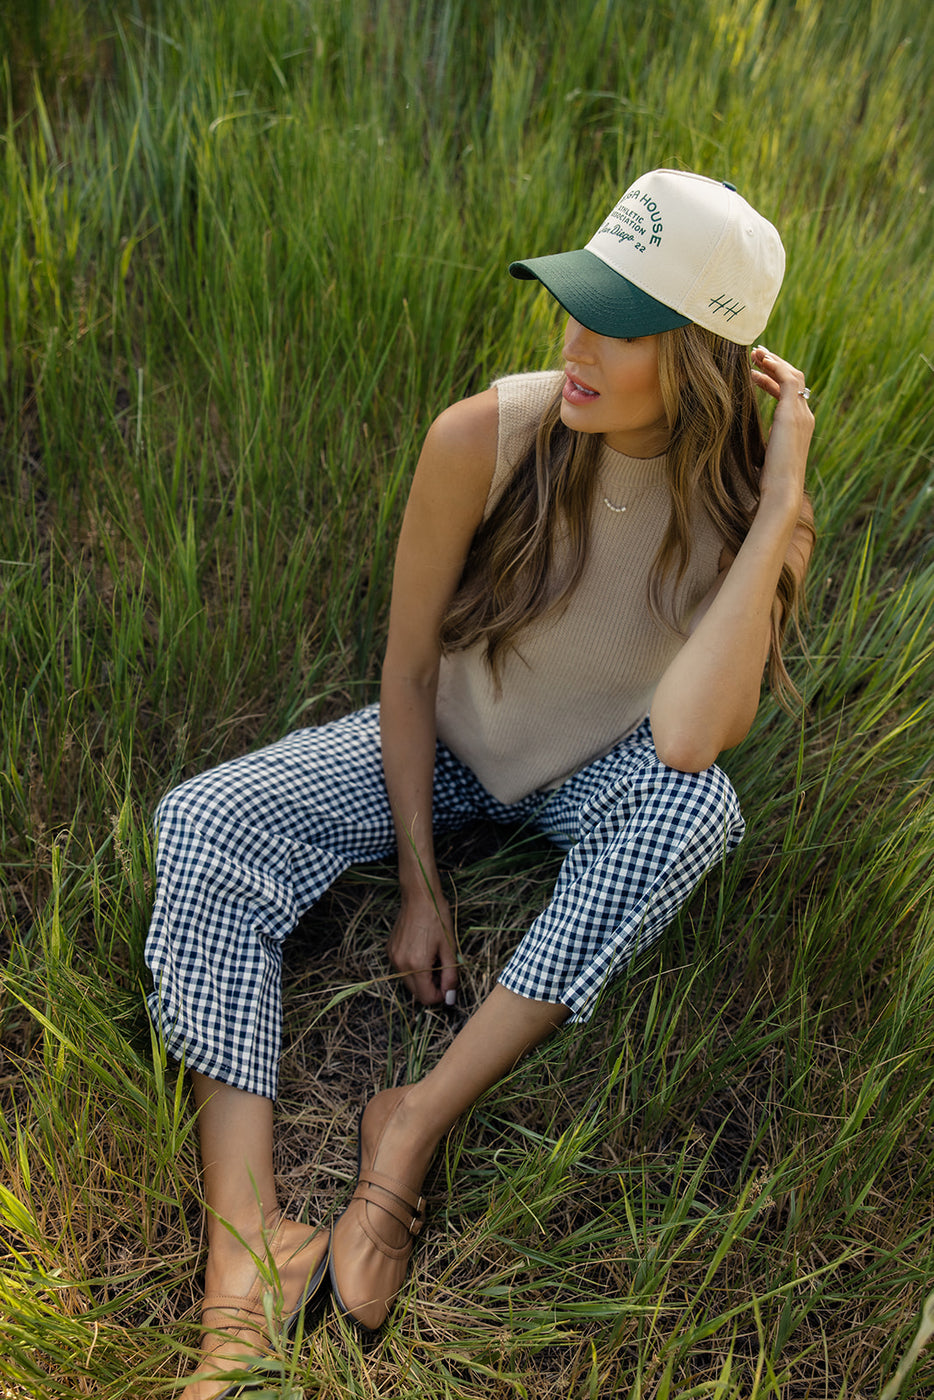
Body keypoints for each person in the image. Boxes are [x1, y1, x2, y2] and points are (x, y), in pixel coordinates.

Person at [145, 168, 815, 1397]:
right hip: (447, 743)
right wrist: (417, 878)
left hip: (595, 770)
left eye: (616, 324)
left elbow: (687, 741)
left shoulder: (750, 518)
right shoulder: (484, 436)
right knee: (205, 820)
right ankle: (242, 1269)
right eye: (575, 305)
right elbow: (405, 668)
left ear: (706, 355)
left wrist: (776, 506)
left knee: (693, 812)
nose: (575, 342)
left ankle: (409, 1126)